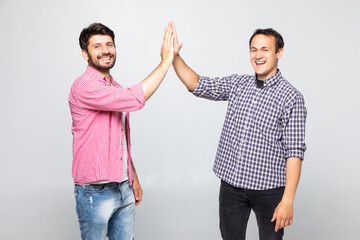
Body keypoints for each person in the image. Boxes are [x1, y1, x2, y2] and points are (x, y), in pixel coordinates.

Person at [170, 22, 306, 240]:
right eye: (254, 49)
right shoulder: (238, 84)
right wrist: (174, 56)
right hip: (232, 186)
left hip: (269, 189)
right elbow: (197, 84)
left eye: (265, 49)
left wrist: (288, 200)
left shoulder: (291, 98)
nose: (258, 55)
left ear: (279, 52)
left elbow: (294, 152)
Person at [69, 23, 174, 240]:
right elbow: (134, 99)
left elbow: (120, 141)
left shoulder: (115, 88)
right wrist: (165, 62)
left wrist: (132, 176)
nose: (105, 50)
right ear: (84, 54)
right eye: (97, 46)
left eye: (109, 44)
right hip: (94, 191)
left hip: (123, 186)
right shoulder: (84, 86)